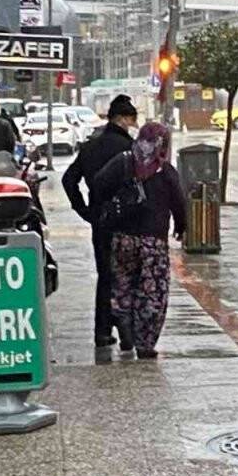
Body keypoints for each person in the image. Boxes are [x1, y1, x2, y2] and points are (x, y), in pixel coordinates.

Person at [93, 122, 186, 359]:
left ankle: (124, 324)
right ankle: (145, 343)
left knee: (123, 285)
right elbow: (179, 202)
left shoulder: (122, 163)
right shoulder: (165, 171)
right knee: (152, 293)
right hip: (153, 242)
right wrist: (181, 227)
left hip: (123, 239)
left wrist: (110, 206)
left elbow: (98, 184)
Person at [62, 95, 139, 348]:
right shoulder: (129, 148)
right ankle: (127, 329)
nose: (133, 125)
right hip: (128, 221)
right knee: (128, 275)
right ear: (124, 119)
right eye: (132, 120)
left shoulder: (91, 146)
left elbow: (68, 180)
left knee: (105, 275)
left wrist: (83, 210)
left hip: (100, 220)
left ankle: (103, 331)